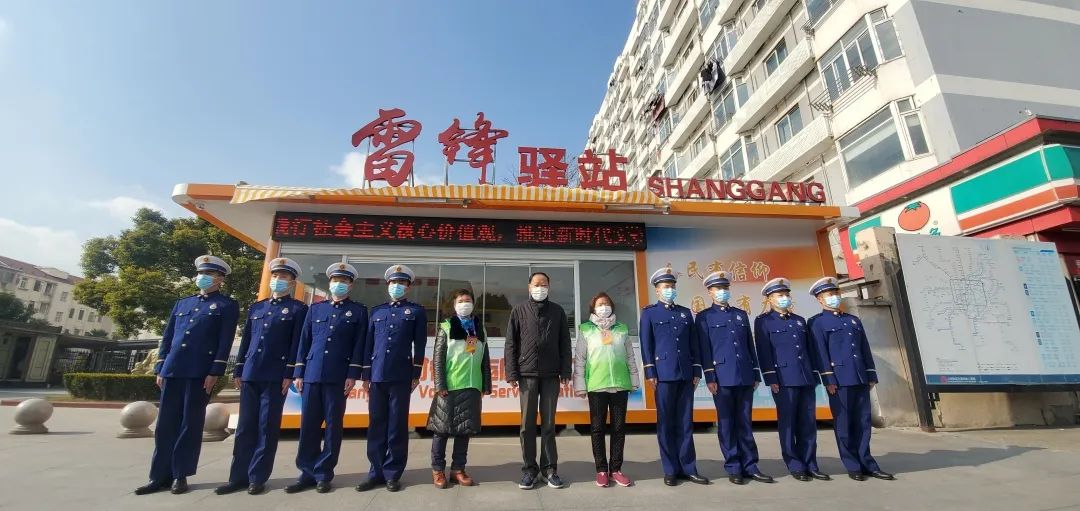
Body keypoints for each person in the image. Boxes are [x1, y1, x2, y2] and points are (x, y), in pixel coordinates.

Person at [135, 255, 239, 495]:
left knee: (190, 425)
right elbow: (168, 337)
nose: (203, 277)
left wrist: (215, 370)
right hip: (173, 369)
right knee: (165, 424)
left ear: (220, 279)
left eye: (209, 274)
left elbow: (224, 341)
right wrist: (161, 366)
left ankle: (180, 474)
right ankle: (158, 476)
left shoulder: (226, 305)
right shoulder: (182, 304)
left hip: (199, 371)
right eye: (201, 273)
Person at [216, 258, 308, 495]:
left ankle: (257, 477)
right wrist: (239, 369)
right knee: (245, 427)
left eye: (283, 277)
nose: (277, 280)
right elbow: (247, 340)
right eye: (275, 276)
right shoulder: (257, 308)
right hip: (251, 373)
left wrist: (290, 373)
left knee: (266, 427)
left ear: (292, 282)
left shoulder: (298, 309)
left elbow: (296, 344)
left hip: (276, 376)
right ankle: (238, 477)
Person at [285, 263, 367, 494]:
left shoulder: (358, 311)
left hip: (338, 377)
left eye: (344, 281)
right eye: (335, 280)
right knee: (308, 426)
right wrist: (299, 372)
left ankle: (323, 474)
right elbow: (304, 341)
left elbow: (359, 345)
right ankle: (306, 473)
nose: (339, 284)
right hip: (311, 375)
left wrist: (352, 374)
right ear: (330, 283)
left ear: (351, 285)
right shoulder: (315, 309)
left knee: (333, 427)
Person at [807, 277, 896, 482]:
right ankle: (853, 465)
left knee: (863, 422)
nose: (834, 297)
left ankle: (868, 463)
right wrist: (828, 379)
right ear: (820, 299)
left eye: (835, 293)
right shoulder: (817, 323)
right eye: (829, 295)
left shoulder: (852, 320)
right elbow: (820, 353)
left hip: (860, 377)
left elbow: (864, 348)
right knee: (844, 424)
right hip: (839, 380)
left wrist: (871, 374)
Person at [695, 271, 774, 486]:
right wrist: (710, 376)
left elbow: (749, 345)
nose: (722, 292)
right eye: (718, 289)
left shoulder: (740, 314)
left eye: (725, 288)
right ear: (710, 292)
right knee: (727, 423)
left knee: (745, 422)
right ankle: (733, 466)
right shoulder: (704, 317)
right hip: (722, 378)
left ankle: (751, 465)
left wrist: (755, 372)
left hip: (745, 375)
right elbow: (705, 349)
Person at [356, 264, 428, 493]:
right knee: (376, 424)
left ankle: (392, 473)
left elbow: (420, 345)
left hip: (401, 375)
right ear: (388, 285)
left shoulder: (416, 311)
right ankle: (375, 472)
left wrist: (416, 373)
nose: (398, 286)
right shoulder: (377, 311)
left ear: (408, 287)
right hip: (377, 375)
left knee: (397, 425)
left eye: (402, 283)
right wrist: (366, 374)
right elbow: (368, 344)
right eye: (394, 282)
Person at [639, 267, 709, 487]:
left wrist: (696, 370)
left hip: (686, 374)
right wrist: (650, 371)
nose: (670, 290)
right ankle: (670, 469)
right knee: (666, 423)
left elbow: (693, 343)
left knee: (685, 423)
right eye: (665, 287)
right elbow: (646, 344)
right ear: (657, 290)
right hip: (663, 375)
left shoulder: (685, 313)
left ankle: (689, 468)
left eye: (672, 286)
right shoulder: (649, 313)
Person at [754, 277, 828, 483]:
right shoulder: (764, 321)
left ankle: (810, 463)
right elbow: (764, 351)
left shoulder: (799, 320)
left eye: (786, 294)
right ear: (770, 299)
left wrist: (814, 375)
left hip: (805, 378)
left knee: (808, 424)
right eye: (780, 295)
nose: (784, 298)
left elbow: (809, 350)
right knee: (788, 424)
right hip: (783, 380)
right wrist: (771, 377)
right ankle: (794, 464)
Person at [504, 271, 572, 490]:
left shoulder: (558, 311)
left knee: (549, 424)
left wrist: (566, 370)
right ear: (529, 287)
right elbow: (511, 344)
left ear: (549, 287)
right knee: (527, 425)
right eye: (536, 284)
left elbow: (565, 342)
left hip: (551, 375)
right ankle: (529, 470)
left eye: (544, 284)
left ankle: (549, 469)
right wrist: (512, 373)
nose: (540, 287)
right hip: (527, 375)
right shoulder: (519, 311)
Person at [426, 289, 492, 489]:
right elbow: (438, 358)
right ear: (454, 305)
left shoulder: (478, 328)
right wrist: (440, 384)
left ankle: (458, 470)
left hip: (472, 386)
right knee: (441, 431)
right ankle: (438, 470)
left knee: (464, 431)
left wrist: (486, 385)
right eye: (461, 301)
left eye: (468, 300)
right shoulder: (446, 327)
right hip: (450, 387)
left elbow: (485, 358)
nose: (465, 304)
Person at [574, 292, 639, 488]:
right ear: (593, 308)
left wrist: (634, 380)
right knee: (597, 428)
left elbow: (630, 356)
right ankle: (601, 469)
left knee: (619, 428)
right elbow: (580, 359)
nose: (604, 307)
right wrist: (580, 385)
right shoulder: (586, 329)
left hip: (620, 385)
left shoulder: (622, 329)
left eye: (607, 303)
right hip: (597, 385)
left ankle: (616, 469)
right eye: (600, 304)